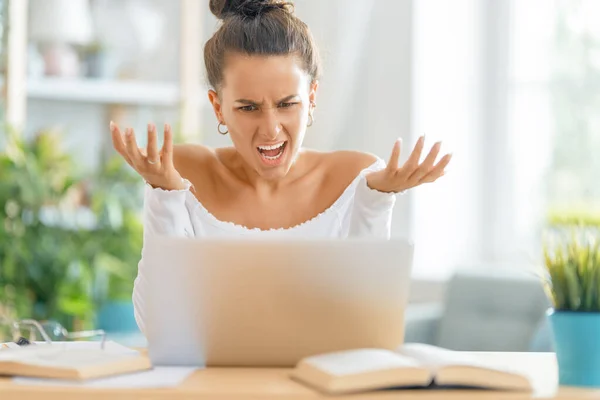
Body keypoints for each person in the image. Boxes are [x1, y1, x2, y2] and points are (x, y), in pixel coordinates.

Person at [109, 0, 452, 334]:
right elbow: (157, 324)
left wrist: (375, 201)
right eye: (248, 108)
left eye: (287, 104)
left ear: (312, 97)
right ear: (218, 107)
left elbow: (364, 323)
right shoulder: (180, 172)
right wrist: (164, 196)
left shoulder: (357, 178)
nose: (270, 129)